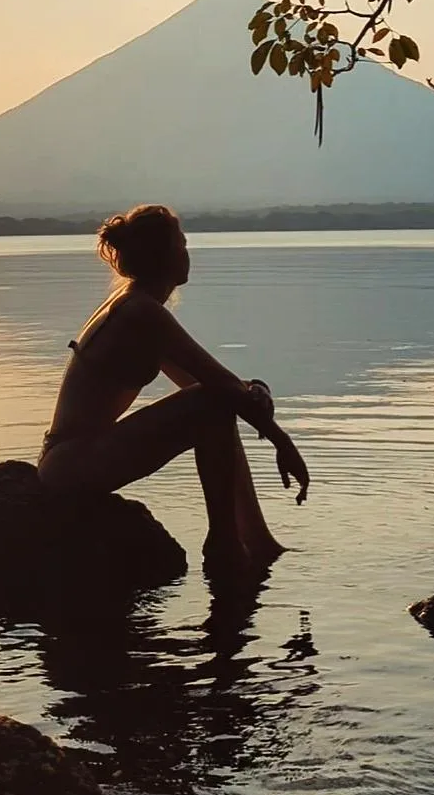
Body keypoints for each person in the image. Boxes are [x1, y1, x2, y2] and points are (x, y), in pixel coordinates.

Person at [38, 204, 309, 578]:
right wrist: (282, 442)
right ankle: (225, 540)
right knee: (212, 404)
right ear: (162, 256)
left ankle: (255, 539)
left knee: (213, 404)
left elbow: (204, 381)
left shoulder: (137, 308)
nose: (187, 253)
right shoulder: (140, 313)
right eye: (181, 245)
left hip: (73, 459)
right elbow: (219, 388)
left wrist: (252, 390)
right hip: (73, 464)